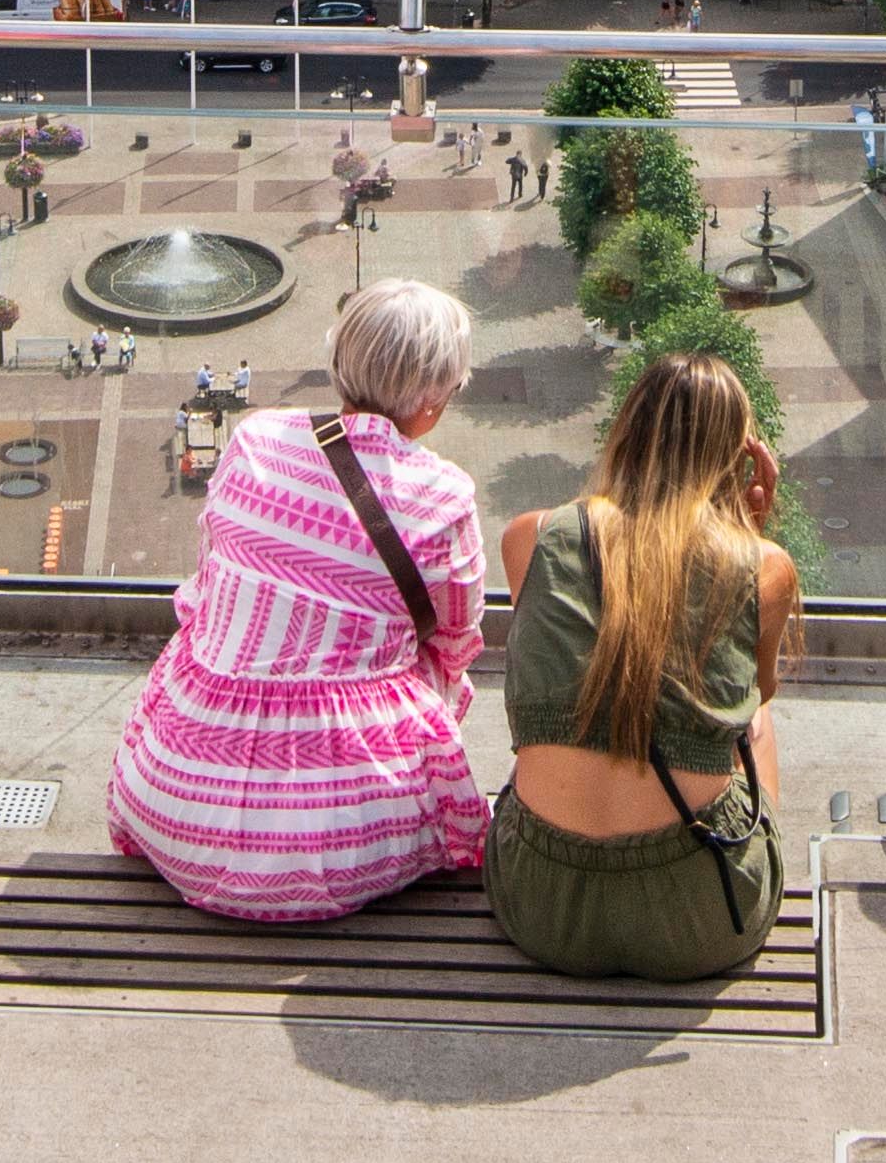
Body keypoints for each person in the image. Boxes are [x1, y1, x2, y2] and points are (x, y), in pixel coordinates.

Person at [103, 281, 492, 920]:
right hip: (350, 843)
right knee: (424, 672)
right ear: (431, 400)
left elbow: (204, 593)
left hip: (175, 806)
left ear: (339, 362)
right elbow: (455, 641)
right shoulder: (443, 496)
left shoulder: (254, 440)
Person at [486, 353, 800, 982]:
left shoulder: (532, 536)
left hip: (541, 902)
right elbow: (755, 692)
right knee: (757, 715)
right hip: (703, 914)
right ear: (735, 459)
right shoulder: (764, 567)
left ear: (625, 431)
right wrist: (749, 536)